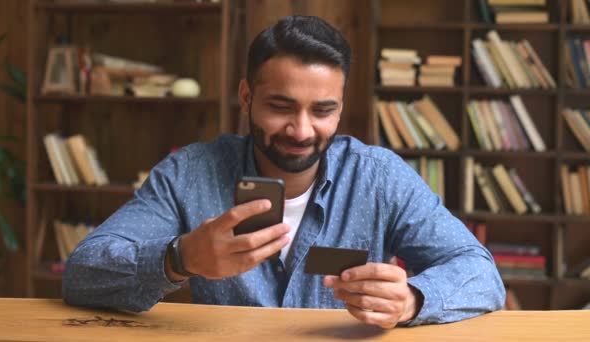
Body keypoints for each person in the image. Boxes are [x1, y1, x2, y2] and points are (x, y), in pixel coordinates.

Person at [63, 15, 505, 329]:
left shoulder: (380, 177)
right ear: (246, 96)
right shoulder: (188, 173)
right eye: (281, 106)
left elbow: (480, 274)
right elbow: (82, 273)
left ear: (341, 109)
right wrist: (180, 259)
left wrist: (412, 300)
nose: (301, 130)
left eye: (323, 110)